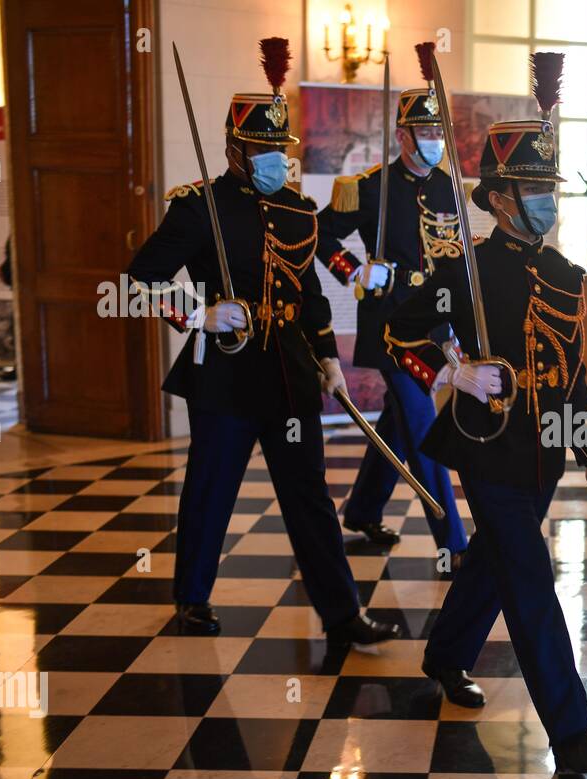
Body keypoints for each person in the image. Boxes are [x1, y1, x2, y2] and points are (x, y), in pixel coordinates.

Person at [383, 49, 587, 774]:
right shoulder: (467, 270)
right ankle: (571, 729)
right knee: (527, 570)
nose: (547, 201)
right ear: (499, 198)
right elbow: (400, 335)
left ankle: (446, 653)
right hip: (486, 442)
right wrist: (456, 371)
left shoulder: (563, 274)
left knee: (493, 557)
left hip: (545, 447)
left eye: (551, 188)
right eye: (533, 189)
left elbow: (572, 375)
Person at [127, 38, 396, 651]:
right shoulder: (199, 210)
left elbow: (312, 295)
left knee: (310, 498)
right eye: (263, 150)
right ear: (234, 150)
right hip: (223, 379)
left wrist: (328, 356)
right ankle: (192, 598)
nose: (276, 159)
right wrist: (198, 314)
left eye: (281, 149)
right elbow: (138, 281)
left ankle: (342, 613)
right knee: (210, 489)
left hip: (291, 374)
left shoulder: (300, 212)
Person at [315, 45, 468, 565]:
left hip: (437, 326)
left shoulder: (450, 190)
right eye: (424, 134)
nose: (433, 142)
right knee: (424, 427)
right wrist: (356, 271)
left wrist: (462, 330)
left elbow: (457, 262)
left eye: (437, 134)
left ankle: (361, 510)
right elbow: (320, 237)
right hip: (392, 328)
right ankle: (454, 544)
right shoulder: (369, 189)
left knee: (399, 423)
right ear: (402, 136)